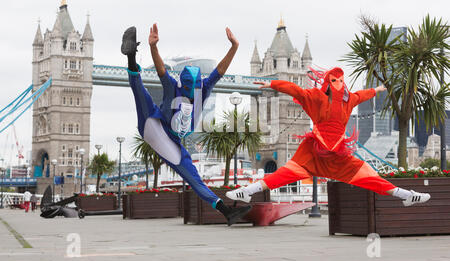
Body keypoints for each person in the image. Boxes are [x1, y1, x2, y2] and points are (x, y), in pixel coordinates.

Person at [226, 67, 431, 207]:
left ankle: (406, 195)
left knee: (368, 175)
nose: (339, 84)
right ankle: (247, 191)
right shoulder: (316, 98)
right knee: (285, 174)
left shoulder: (348, 100)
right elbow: (296, 90)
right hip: (314, 150)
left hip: (337, 154)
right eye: (334, 81)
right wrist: (273, 85)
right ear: (327, 83)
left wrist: (376, 90)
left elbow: (362, 94)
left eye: (341, 81)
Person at [121, 24, 251, 226]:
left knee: (140, 94)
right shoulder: (203, 87)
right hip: (160, 133)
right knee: (193, 178)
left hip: (156, 128)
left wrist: (153, 46)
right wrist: (234, 46)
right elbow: (220, 70)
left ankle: (131, 57)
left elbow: (161, 70)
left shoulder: (175, 85)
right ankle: (226, 211)